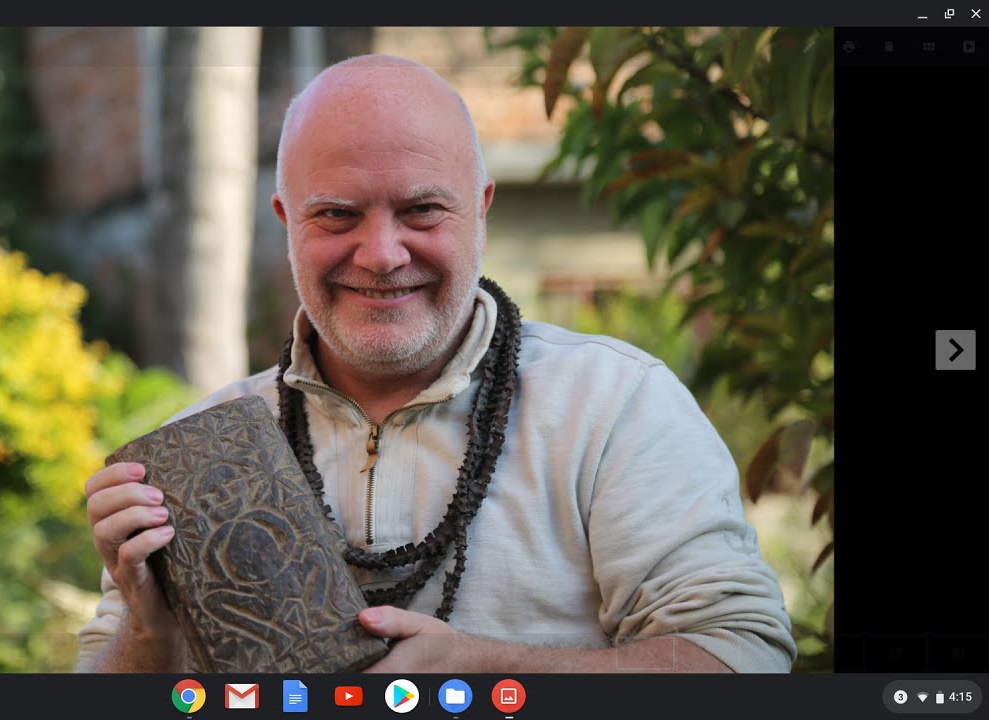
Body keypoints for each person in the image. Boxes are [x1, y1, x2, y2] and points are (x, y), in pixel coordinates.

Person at [75, 54, 797, 674]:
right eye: (337, 214)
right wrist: (149, 634)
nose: (382, 255)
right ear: (287, 220)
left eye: (422, 210)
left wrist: (486, 670)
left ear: (481, 209)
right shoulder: (198, 459)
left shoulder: (616, 407)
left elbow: (742, 656)